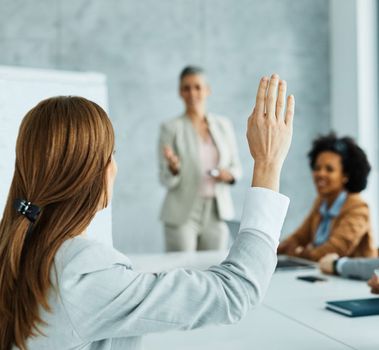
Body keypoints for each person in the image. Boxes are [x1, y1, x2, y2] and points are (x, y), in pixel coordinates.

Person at [0, 74, 294, 350]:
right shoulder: (80, 272)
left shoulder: (16, 248)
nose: (115, 166)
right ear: (93, 172)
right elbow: (234, 292)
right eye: (112, 154)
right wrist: (268, 163)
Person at [158, 66, 242, 252]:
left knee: (213, 269)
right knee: (181, 271)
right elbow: (164, 178)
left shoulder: (223, 125)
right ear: (180, 92)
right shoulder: (170, 128)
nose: (192, 93)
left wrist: (227, 174)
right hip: (182, 212)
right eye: (186, 88)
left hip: (217, 211)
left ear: (207, 90)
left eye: (197, 87)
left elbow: (236, 167)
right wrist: (173, 168)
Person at [278, 133, 377, 261]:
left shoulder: (358, 208)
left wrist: (299, 253)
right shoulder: (321, 202)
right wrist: (274, 248)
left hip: (354, 280)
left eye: (329, 169)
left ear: (345, 175)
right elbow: (299, 237)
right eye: (317, 168)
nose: (320, 174)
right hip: (324, 275)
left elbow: (334, 250)